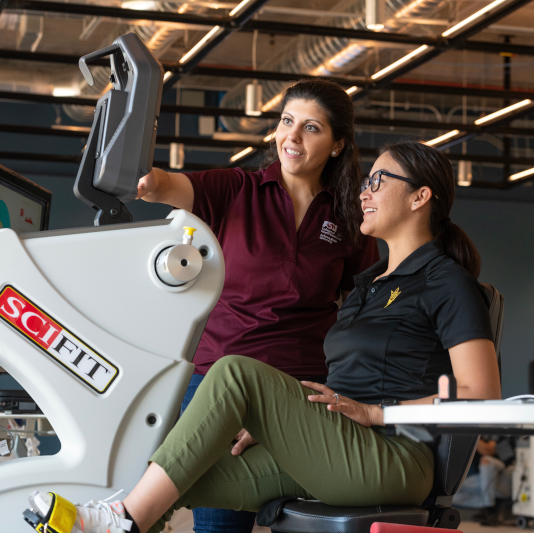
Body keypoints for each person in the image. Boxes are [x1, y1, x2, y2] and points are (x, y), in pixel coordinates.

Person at [27, 141, 502, 533]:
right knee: (167, 474)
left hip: (397, 460)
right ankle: (118, 520)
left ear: (420, 197)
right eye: (365, 180)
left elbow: (482, 399)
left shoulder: (446, 281)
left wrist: (376, 413)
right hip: (340, 446)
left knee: (235, 370)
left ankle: (122, 523)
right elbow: (343, 388)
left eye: (380, 180)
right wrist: (280, 420)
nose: (365, 191)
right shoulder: (366, 287)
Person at [136, 79, 379, 533]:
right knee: (221, 528)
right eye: (287, 121)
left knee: (302, 524)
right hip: (218, 386)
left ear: (338, 144)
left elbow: (358, 313)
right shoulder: (236, 189)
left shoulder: (348, 217)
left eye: (311, 127)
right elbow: (169, 186)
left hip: (301, 392)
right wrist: (146, 180)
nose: (292, 136)